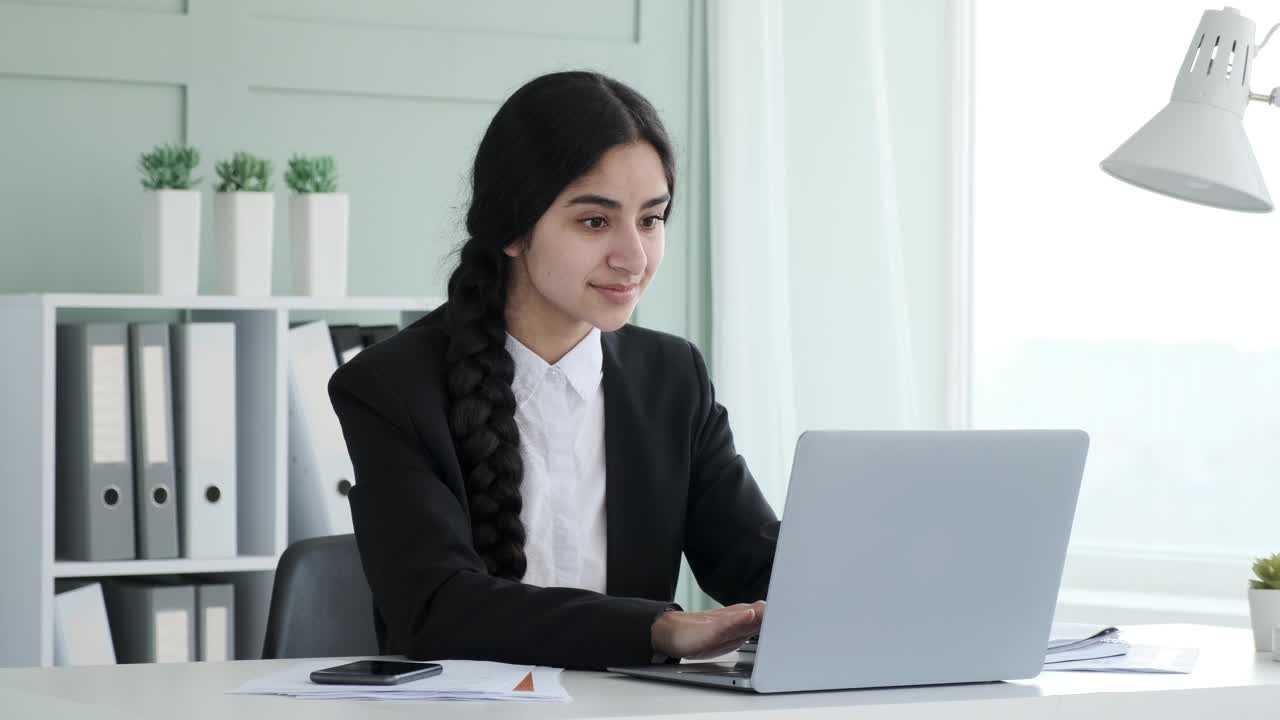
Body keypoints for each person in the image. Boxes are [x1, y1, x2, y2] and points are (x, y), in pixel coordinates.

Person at [328, 70, 778, 671]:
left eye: (651, 219)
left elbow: (753, 561)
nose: (634, 258)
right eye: (595, 221)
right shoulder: (390, 386)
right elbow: (436, 608)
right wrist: (659, 629)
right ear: (513, 228)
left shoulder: (672, 378)